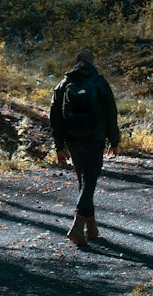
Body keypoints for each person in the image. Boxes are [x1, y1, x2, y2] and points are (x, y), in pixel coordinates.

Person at [50, 49, 120, 247]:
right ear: (92, 62)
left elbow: (55, 116)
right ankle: (77, 224)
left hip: (73, 139)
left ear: (76, 62)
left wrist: (59, 146)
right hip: (95, 139)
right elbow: (111, 114)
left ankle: (91, 228)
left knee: (84, 180)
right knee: (89, 180)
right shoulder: (99, 83)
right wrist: (114, 141)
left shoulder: (64, 84)